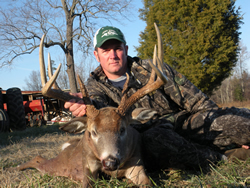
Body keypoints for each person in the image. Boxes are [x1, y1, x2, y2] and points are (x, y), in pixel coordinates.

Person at [64, 26, 250, 171]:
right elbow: (100, 113)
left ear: (125, 49)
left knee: (238, 122)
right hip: (150, 136)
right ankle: (223, 157)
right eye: (105, 50)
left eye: (117, 48)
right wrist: (84, 105)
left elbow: (199, 102)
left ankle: (229, 140)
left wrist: (223, 126)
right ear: (97, 55)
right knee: (158, 141)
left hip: (183, 123)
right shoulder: (94, 88)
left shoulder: (153, 69)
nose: (113, 55)